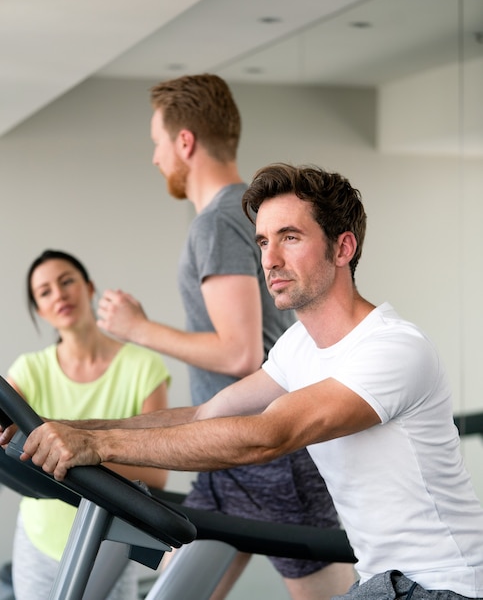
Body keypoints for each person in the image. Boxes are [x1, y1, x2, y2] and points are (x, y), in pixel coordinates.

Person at [5, 163, 483, 600]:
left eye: (290, 237)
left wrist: (94, 446)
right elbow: (203, 414)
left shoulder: (393, 348)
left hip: (445, 583)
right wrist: (52, 426)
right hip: (384, 581)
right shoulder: (298, 346)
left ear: (343, 247)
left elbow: (266, 436)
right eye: (262, 241)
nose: (269, 259)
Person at [94, 73, 354, 600]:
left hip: (269, 449)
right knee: (177, 591)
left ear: (184, 142)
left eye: (157, 142)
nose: (155, 157)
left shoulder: (216, 222)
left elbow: (241, 352)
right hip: (222, 447)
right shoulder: (238, 215)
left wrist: (137, 329)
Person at [5, 249, 171, 600]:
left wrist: (82, 453)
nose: (60, 294)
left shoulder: (143, 367)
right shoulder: (28, 370)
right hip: (39, 539)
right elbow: (6, 439)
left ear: (89, 287)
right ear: (39, 309)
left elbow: (156, 474)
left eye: (67, 282)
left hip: (110, 542)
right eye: (45, 291)